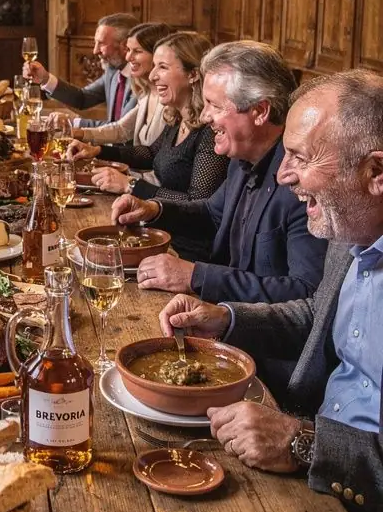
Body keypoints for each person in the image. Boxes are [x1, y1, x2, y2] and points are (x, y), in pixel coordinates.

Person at [155, 69, 383, 512]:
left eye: (302, 159)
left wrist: (305, 442)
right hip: (323, 473)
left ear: (376, 172)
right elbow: (311, 321)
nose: (284, 176)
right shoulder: (356, 232)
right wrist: (221, 316)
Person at [111, 40, 328, 304]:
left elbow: (305, 292)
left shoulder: (300, 180)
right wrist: (154, 210)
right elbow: (213, 215)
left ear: (260, 111)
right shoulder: (241, 158)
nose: (204, 116)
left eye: (215, 105)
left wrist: (197, 277)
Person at [87, 31, 228, 262]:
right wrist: (99, 151)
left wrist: (132, 185)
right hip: (163, 232)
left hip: (189, 252)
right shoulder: (178, 117)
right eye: (154, 66)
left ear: (193, 74)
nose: (152, 76)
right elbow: (151, 153)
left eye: (162, 67)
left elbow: (198, 202)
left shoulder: (210, 132)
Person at [67, 20, 172, 159]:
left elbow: (154, 155)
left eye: (137, 51)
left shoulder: (171, 99)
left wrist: (98, 150)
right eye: (128, 50)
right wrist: (76, 133)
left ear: (157, 55)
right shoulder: (146, 94)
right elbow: (122, 129)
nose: (128, 57)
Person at [23, 12, 137, 127]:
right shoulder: (113, 72)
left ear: (125, 46)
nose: (95, 51)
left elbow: (121, 129)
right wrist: (45, 78)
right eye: (95, 43)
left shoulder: (141, 80)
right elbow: (83, 98)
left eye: (101, 44)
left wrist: (73, 122)